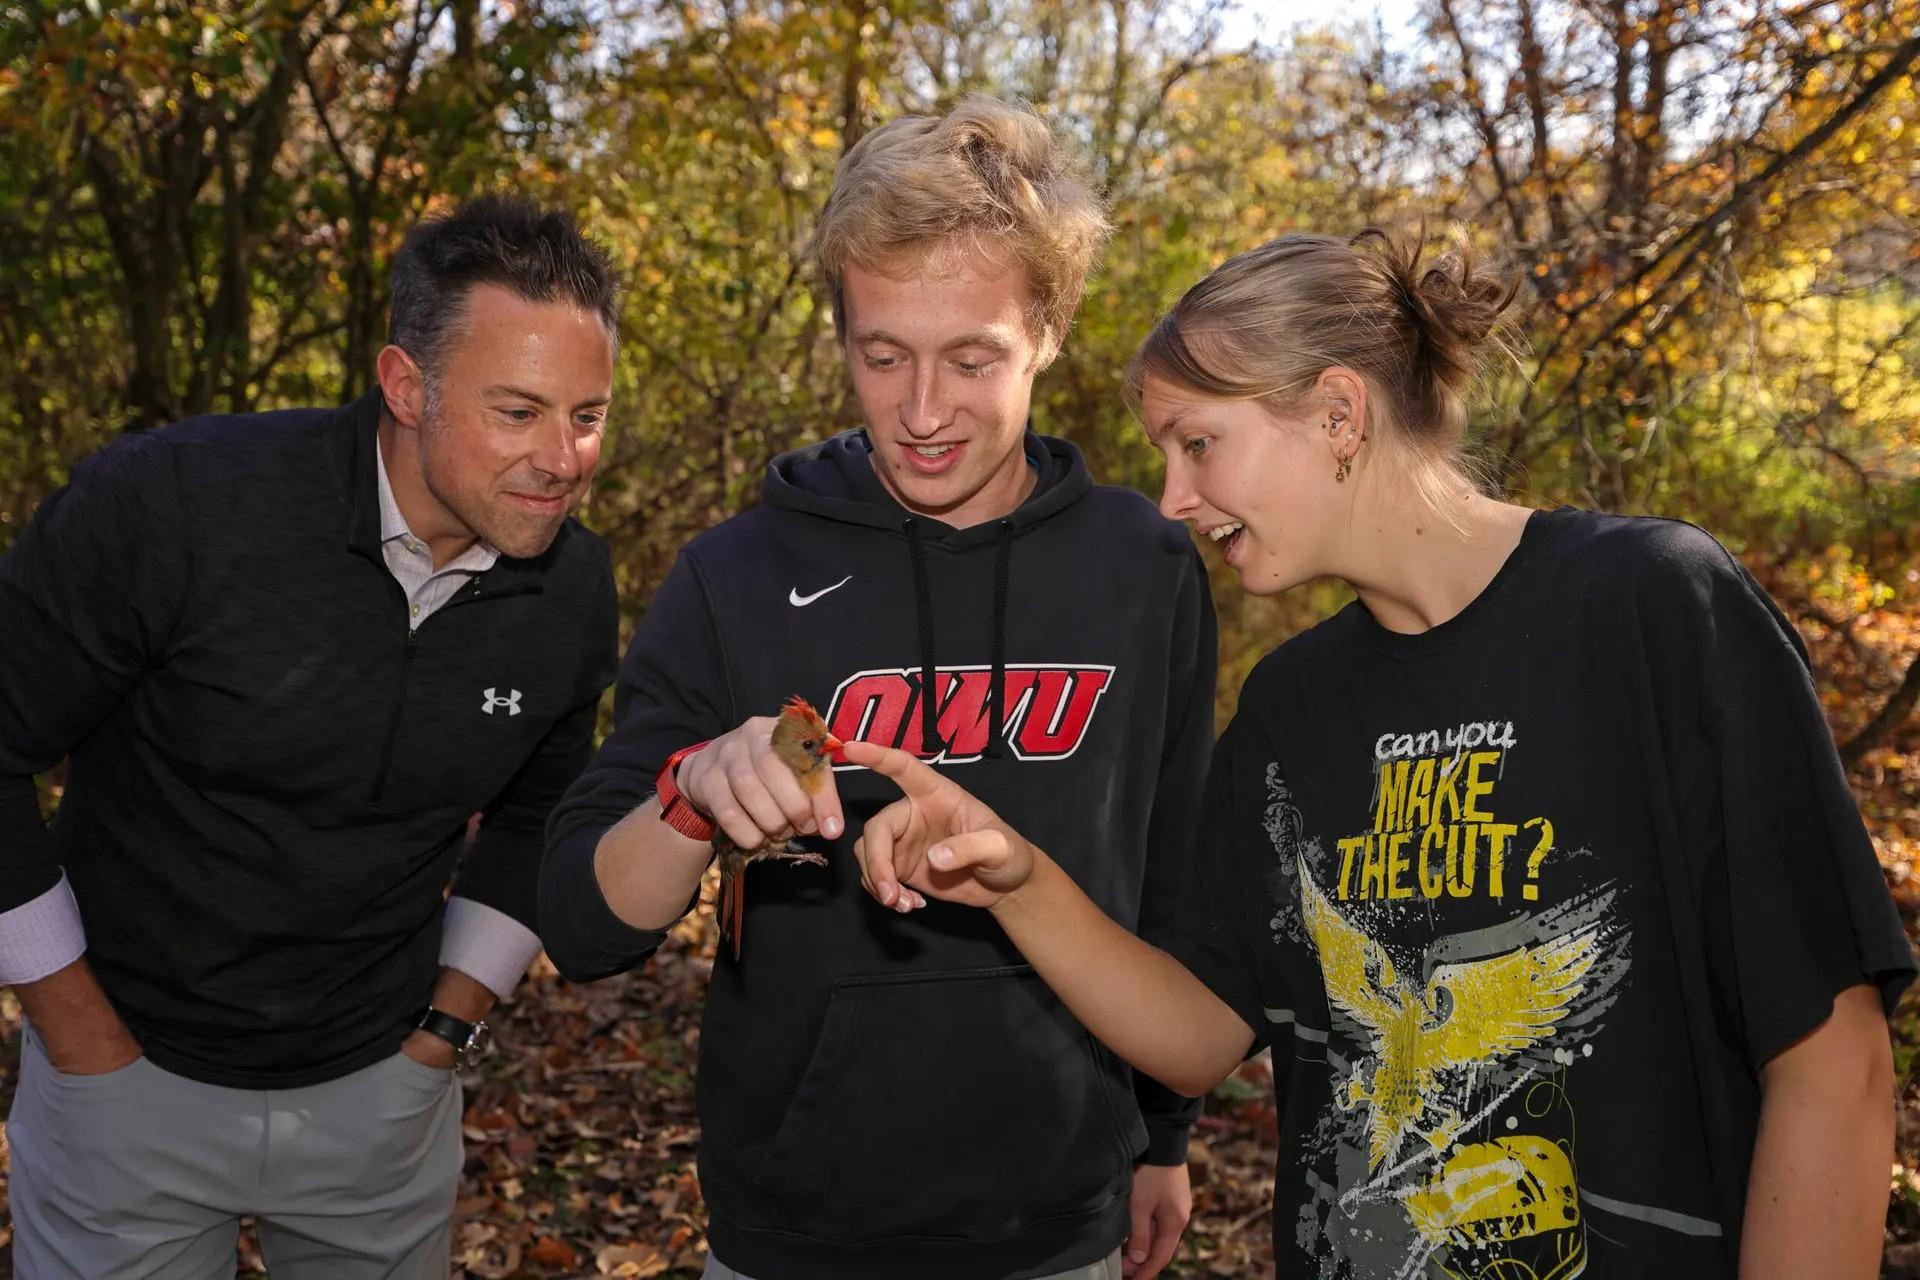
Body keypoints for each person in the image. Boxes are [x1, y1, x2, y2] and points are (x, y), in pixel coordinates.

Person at [843, 227, 1917, 1278]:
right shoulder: (1291, 703)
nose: (1172, 498)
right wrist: (1016, 877)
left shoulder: (1652, 607)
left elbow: (1835, 1062)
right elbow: (1200, 1033)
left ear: (1339, 411)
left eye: (1197, 442)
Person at [539, 95, 1215, 1280]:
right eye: (882, 353)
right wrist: (694, 795)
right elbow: (586, 925)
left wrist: (1161, 1137)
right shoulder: (735, 572)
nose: (922, 410)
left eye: (972, 357)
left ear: (1048, 331)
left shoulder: (1144, 565)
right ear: (840, 331)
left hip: (1058, 1220)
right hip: (797, 1229)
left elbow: (1169, 872)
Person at [0, 194, 621, 1279]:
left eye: (588, 415)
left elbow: (538, 812)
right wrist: (76, 1028)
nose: (562, 458)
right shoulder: (173, 507)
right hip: (126, 1084)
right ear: (405, 385)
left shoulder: (571, 591)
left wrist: (445, 1031)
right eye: (517, 411)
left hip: (380, 1103)